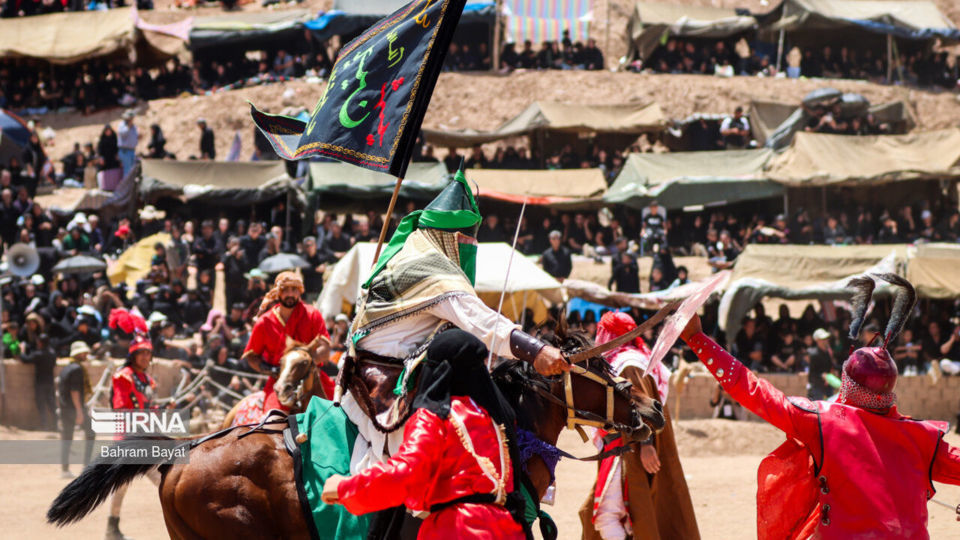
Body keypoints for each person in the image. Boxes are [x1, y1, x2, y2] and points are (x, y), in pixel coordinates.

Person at [678, 274, 960, 539]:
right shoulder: (924, 437)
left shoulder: (822, 422)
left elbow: (751, 389)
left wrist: (697, 339)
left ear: (848, 382)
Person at [341, 169, 569, 490]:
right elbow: (480, 320)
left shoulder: (414, 252)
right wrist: (536, 350)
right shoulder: (431, 268)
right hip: (384, 378)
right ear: (448, 237)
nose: (470, 247)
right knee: (434, 455)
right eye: (466, 240)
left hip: (398, 366)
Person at [322, 330, 527, 539]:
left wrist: (344, 487)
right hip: (508, 529)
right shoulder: (494, 419)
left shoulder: (435, 416)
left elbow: (406, 472)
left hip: (456, 529)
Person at [579, 312, 700, 540]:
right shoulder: (632, 358)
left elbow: (640, 405)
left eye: (604, 332)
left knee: (607, 514)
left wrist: (646, 444)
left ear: (613, 335)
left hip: (629, 449)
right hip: (622, 447)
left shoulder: (628, 363)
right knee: (627, 513)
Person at [242, 271, 333, 412]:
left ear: (300, 291)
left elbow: (325, 349)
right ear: (278, 293)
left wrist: (305, 365)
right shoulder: (264, 322)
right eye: (285, 290)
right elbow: (252, 357)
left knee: (340, 417)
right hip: (279, 380)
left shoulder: (312, 314)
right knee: (273, 420)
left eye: (294, 289)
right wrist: (270, 369)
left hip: (312, 378)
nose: (290, 294)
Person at [107, 330, 162, 540]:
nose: (145, 357)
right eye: (141, 353)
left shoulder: (148, 379)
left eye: (148, 353)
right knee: (122, 487)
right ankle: (112, 529)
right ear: (133, 354)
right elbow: (122, 408)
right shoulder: (123, 377)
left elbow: (150, 407)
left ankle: (111, 529)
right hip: (129, 439)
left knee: (162, 479)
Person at [58, 340, 94, 478]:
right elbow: (75, 391)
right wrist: (79, 411)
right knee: (91, 433)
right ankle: (87, 466)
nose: (86, 354)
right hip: (75, 408)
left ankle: (65, 469)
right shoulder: (77, 369)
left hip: (65, 408)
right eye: (84, 352)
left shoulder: (67, 368)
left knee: (67, 437)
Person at [21, 332, 57, 430]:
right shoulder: (52, 353)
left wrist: (22, 350)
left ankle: (44, 425)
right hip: (50, 382)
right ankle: (55, 425)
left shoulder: (38, 354)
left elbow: (25, 359)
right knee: (51, 404)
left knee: (41, 404)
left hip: (40, 382)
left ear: (40, 343)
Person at [117, 110, 138, 177]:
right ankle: (126, 186)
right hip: (125, 150)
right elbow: (122, 134)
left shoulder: (133, 126)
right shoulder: (122, 125)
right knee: (127, 170)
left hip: (132, 150)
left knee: (132, 170)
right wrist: (128, 126)